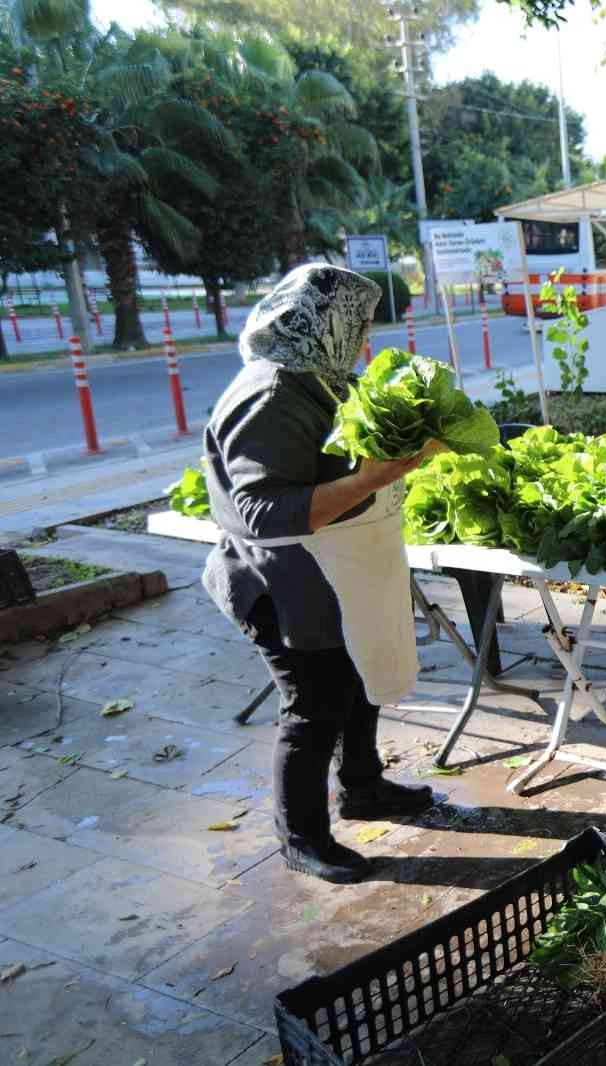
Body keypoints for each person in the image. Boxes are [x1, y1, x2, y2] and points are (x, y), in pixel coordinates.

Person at [202, 264, 435, 884]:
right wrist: (373, 479)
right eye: (357, 326)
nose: (364, 343)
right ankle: (301, 838)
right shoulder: (272, 394)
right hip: (279, 586)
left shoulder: (319, 379)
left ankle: (363, 787)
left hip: (331, 576)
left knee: (356, 679)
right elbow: (261, 512)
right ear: (319, 324)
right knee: (314, 705)